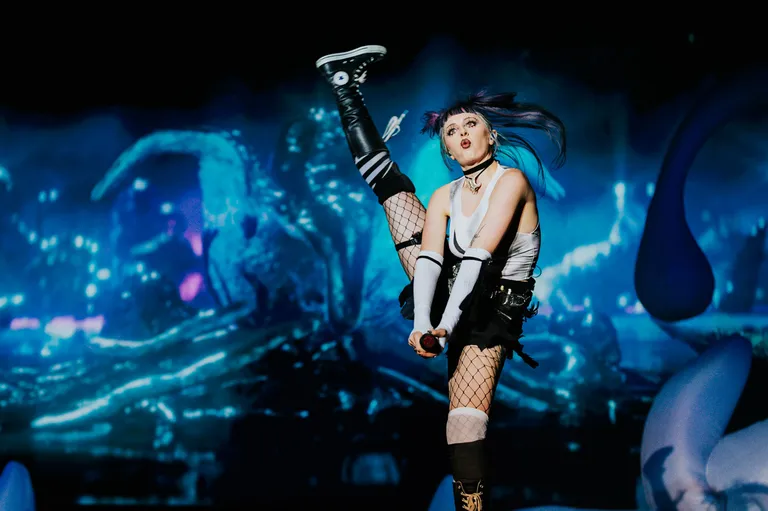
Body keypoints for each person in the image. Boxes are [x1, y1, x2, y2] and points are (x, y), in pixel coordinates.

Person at [316, 45, 566, 510]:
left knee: (464, 423)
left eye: (470, 124)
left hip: (493, 305)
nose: (461, 132)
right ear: (446, 149)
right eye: (451, 130)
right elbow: (430, 262)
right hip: (450, 286)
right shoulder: (443, 196)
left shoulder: (511, 181)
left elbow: (478, 257)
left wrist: (445, 327)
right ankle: (344, 86)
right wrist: (420, 324)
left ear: (491, 135)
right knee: (388, 185)